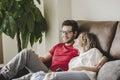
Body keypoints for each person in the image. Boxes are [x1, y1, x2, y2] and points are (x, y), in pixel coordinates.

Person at [0, 20, 107, 80]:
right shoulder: (58, 46)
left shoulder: (78, 49)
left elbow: (94, 54)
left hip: (61, 75)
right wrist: (34, 56)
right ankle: (3, 75)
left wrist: (105, 58)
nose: (64, 35)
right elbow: (43, 59)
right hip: (48, 70)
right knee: (26, 53)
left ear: (75, 33)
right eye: (63, 32)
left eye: (68, 32)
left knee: (32, 77)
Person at [42, 32, 106, 80]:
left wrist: (80, 68)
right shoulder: (73, 60)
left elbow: (97, 68)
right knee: (39, 75)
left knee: (52, 76)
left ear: (84, 40)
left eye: (77, 38)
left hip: (86, 76)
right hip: (73, 76)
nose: (74, 40)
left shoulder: (93, 51)